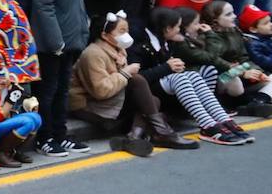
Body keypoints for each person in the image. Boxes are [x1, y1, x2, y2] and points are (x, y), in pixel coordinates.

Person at [70, 12, 197, 156]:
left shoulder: (118, 49)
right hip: (89, 105)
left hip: (111, 99)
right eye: (121, 31)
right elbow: (100, 90)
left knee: (153, 99)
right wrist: (125, 73)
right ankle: (162, 133)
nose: (127, 35)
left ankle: (133, 138)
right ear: (105, 35)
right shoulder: (93, 54)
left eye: (127, 30)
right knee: (137, 80)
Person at [135, 8, 250, 145]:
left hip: (169, 87)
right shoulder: (141, 46)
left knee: (198, 73)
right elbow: (137, 78)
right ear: (166, 29)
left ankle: (223, 119)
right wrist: (166, 67)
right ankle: (207, 125)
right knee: (181, 77)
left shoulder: (167, 40)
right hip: (148, 94)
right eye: (177, 27)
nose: (179, 30)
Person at [27, 0, 92, 157]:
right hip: (53, 45)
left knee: (62, 90)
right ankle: (45, 138)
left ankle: (60, 134)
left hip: (69, 41)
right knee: (48, 91)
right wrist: (56, 41)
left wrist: (81, 33)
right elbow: (44, 8)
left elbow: (77, 2)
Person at [201, 0, 272, 113]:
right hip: (222, 78)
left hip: (241, 74)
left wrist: (256, 72)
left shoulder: (234, 31)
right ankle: (229, 105)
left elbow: (244, 58)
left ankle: (257, 103)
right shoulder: (207, 36)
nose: (234, 16)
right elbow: (213, 60)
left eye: (233, 12)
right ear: (215, 21)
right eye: (228, 14)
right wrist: (242, 72)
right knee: (233, 79)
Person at [0, 77, 43, 168]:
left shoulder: (9, 86)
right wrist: (11, 99)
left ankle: (13, 151)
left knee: (37, 118)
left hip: (1, 124)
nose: (3, 80)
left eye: (5, 76)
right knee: (27, 122)